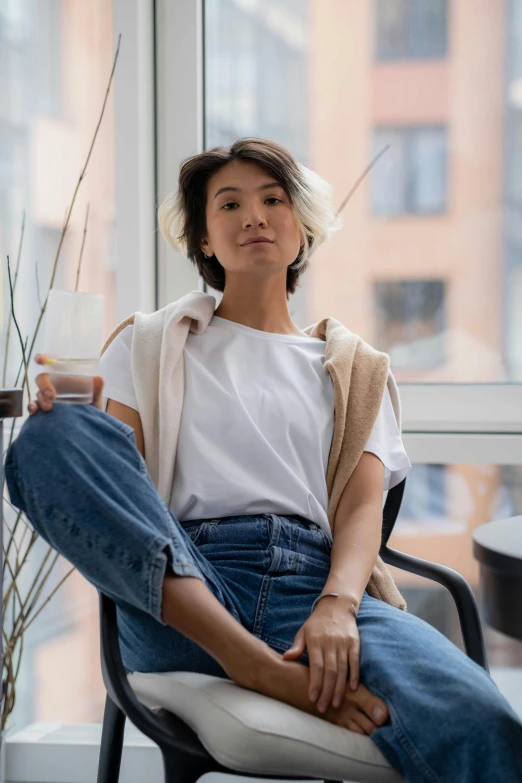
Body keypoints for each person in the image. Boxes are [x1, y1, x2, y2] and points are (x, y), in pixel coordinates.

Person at [5, 138, 522, 782]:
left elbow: (362, 505)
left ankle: (282, 657)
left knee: (481, 721)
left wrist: (337, 604)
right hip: (186, 586)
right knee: (49, 436)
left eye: (273, 200)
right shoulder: (145, 344)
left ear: (301, 230)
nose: (254, 215)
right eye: (230, 204)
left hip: (316, 587)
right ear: (202, 241)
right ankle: (255, 666)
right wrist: (69, 424)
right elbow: (120, 487)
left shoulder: (356, 368)